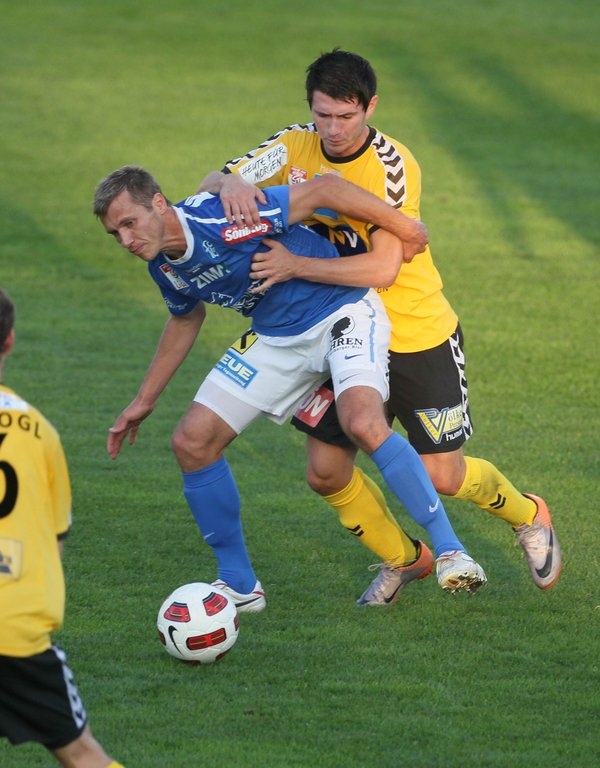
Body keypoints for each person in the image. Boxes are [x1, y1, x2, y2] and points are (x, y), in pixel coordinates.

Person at [198, 48, 561, 604]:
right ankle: (405, 558)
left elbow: (382, 269)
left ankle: (528, 514)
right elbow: (213, 181)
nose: (333, 129)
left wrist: (294, 265)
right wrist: (230, 187)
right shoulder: (292, 145)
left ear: (370, 107)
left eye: (346, 116)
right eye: (323, 115)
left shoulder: (392, 166)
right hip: (335, 328)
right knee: (325, 472)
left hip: (413, 331)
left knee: (442, 476)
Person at [93, 165, 487, 614]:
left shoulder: (224, 219)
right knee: (192, 442)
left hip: (342, 312)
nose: (126, 240)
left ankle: (451, 550)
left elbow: (325, 189)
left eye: (130, 223)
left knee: (362, 423)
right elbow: (185, 318)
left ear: (159, 204)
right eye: (115, 233)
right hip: (275, 336)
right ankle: (240, 584)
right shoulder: (163, 264)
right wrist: (143, 401)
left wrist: (406, 227)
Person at [0, 289, 124, 767]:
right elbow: (55, 543)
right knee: (81, 753)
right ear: (9, 341)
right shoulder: (41, 433)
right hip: (16, 629)